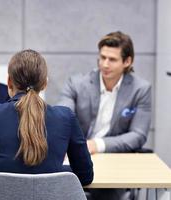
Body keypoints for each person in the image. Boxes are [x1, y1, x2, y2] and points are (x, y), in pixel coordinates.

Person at [0, 49, 94, 187]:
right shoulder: (66, 117)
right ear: (45, 84)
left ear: (9, 82)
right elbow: (85, 176)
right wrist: (56, 171)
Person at [58, 31, 151, 199]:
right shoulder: (77, 83)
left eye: (112, 59)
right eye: (102, 57)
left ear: (127, 61)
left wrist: (97, 145)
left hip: (115, 163)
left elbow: (138, 135)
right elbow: (62, 117)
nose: (105, 64)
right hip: (76, 159)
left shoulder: (140, 89)